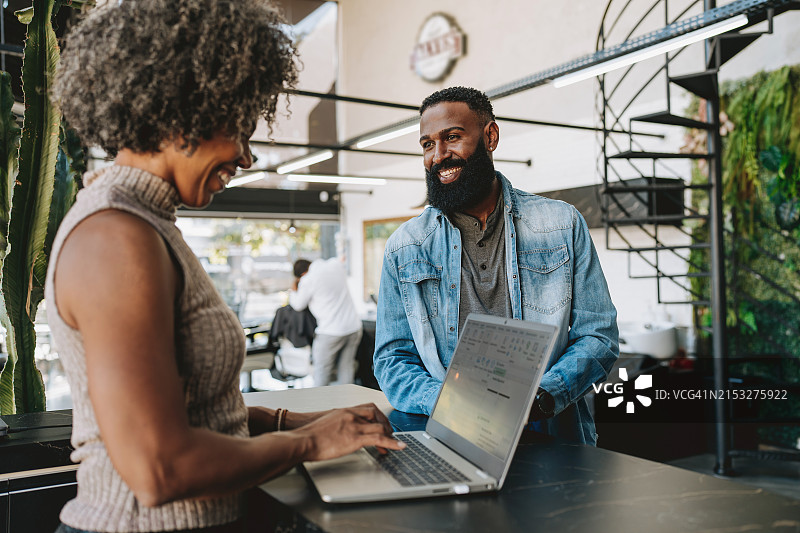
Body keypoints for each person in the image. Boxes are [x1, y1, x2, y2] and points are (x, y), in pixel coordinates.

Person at [46, 2, 403, 532]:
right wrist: (309, 442)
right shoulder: (115, 238)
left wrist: (305, 421)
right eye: (240, 126)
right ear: (182, 108)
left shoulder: (147, 223)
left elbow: (202, 415)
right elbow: (158, 469)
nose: (247, 156)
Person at [373, 86, 619, 446]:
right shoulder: (405, 247)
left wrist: (540, 397)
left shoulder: (561, 224)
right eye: (427, 144)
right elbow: (393, 359)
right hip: (451, 431)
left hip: (553, 430)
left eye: (452, 138)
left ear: (490, 136)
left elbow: (598, 336)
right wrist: (449, 402)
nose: (439, 155)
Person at [289, 258, 363, 386]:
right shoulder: (335, 264)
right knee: (346, 368)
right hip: (353, 327)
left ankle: (319, 405)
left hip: (330, 331)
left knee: (322, 372)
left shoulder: (308, 279)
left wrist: (293, 290)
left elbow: (298, 304)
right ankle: (348, 403)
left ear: (301, 275)